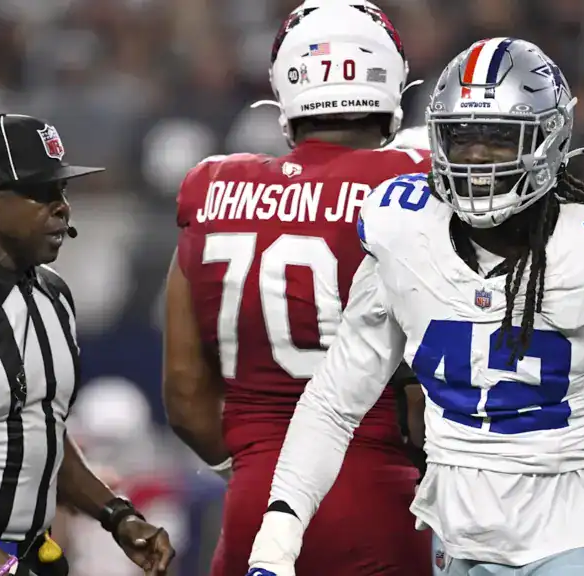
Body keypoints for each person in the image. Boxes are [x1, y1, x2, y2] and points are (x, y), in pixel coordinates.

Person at [248, 37, 584, 576]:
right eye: (462, 137)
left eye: (499, 137)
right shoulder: (405, 233)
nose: (476, 157)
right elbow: (334, 400)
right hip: (455, 536)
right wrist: (280, 528)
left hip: (570, 537)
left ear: (549, 139)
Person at [161, 3, 432, 576]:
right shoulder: (415, 183)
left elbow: (185, 395)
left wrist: (256, 467)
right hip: (380, 502)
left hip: (254, 506)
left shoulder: (213, 188)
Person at [0, 114, 175, 576]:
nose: (62, 208)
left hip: (32, 556)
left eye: (63, 191)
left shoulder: (54, 295)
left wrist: (117, 515)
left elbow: (41, 429)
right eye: (42, 192)